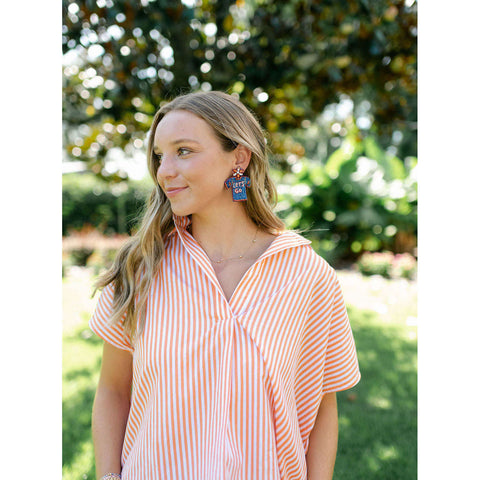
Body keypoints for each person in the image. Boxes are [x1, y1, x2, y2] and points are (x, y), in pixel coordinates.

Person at [90, 90, 361, 480]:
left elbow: (320, 406)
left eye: (183, 151)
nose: (164, 170)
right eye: (159, 156)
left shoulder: (307, 275)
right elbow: (114, 390)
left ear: (238, 157)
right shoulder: (142, 267)